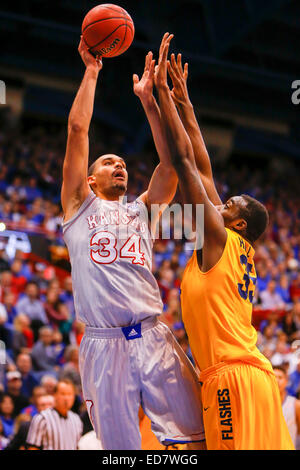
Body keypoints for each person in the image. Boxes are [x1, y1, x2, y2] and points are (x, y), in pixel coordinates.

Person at [60, 35, 205, 450]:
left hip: (154, 333)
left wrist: (149, 102)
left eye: (122, 162)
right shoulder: (77, 207)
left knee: (196, 442)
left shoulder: (142, 210)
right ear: (89, 180)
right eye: (108, 162)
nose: (118, 164)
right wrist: (91, 72)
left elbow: (171, 166)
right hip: (103, 344)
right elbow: (77, 129)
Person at [154, 33, 294, 450]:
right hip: (256, 379)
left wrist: (163, 95)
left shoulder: (216, 237)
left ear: (237, 223)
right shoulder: (231, 243)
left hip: (230, 378)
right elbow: (204, 166)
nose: (221, 201)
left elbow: (185, 163)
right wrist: (186, 102)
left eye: (228, 204)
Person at [25, 379, 82, 450]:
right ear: (54, 395)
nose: (66, 398)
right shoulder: (42, 418)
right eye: (63, 394)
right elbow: (33, 447)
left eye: (69, 394)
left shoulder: (76, 419)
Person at [273, 365, 300, 449]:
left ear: (286, 381)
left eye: (280, 377)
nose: (276, 381)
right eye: (273, 377)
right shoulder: (261, 404)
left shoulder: (296, 404)